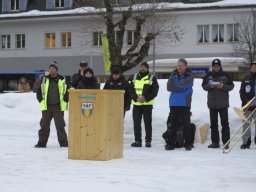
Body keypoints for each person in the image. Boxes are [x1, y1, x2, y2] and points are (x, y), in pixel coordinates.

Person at [35, 61, 69, 148]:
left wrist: (66, 98)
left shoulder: (62, 79)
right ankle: (41, 143)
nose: (51, 70)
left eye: (53, 68)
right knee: (44, 125)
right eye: (50, 68)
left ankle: (64, 143)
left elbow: (67, 90)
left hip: (58, 106)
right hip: (47, 106)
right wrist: (40, 100)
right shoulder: (44, 79)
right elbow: (37, 89)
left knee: (60, 125)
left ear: (57, 70)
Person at [202, 58, 234, 149]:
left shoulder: (225, 75)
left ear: (220, 66)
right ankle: (215, 143)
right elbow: (203, 86)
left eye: (218, 66)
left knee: (225, 124)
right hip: (212, 104)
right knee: (213, 124)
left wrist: (223, 86)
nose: (216, 68)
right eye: (214, 66)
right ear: (212, 67)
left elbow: (231, 86)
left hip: (223, 104)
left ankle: (226, 142)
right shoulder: (208, 75)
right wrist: (209, 86)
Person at [166, 58, 194, 151]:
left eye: (181, 65)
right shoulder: (173, 75)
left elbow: (186, 84)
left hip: (184, 103)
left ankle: (188, 144)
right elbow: (168, 86)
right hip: (173, 103)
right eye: (178, 65)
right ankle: (171, 144)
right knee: (173, 124)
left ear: (185, 66)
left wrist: (176, 86)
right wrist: (179, 87)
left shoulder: (190, 76)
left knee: (186, 124)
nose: (179, 67)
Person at [130, 62, 159, 148]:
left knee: (147, 123)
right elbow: (130, 89)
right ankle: (137, 141)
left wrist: (145, 98)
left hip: (147, 104)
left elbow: (154, 91)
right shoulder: (134, 77)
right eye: (141, 67)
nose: (142, 68)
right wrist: (136, 98)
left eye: (144, 67)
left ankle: (148, 141)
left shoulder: (152, 78)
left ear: (147, 68)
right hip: (136, 104)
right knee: (136, 123)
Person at [239, 61, 256, 149]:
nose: (254, 68)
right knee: (246, 125)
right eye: (253, 66)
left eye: (255, 67)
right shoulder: (246, 78)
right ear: (250, 68)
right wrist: (246, 102)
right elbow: (241, 92)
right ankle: (246, 142)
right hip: (247, 106)